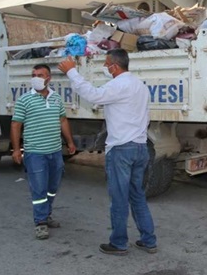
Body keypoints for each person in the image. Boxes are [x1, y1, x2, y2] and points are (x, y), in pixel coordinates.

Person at [57, 49, 157, 255]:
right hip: (140, 147)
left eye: (106, 63)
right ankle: (148, 240)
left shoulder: (119, 85)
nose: (105, 67)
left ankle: (119, 243)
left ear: (115, 66)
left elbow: (93, 95)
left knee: (119, 198)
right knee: (137, 195)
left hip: (122, 148)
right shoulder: (140, 86)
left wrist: (72, 72)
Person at [10, 65, 76, 240]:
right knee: (39, 188)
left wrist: (70, 142)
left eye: (40, 75)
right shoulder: (24, 100)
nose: (36, 77)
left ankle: (46, 214)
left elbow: (62, 120)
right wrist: (16, 149)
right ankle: (40, 222)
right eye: (33, 75)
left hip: (55, 152)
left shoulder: (56, 99)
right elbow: (16, 125)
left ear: (49, 78)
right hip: (35, 153)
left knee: (52, 187)